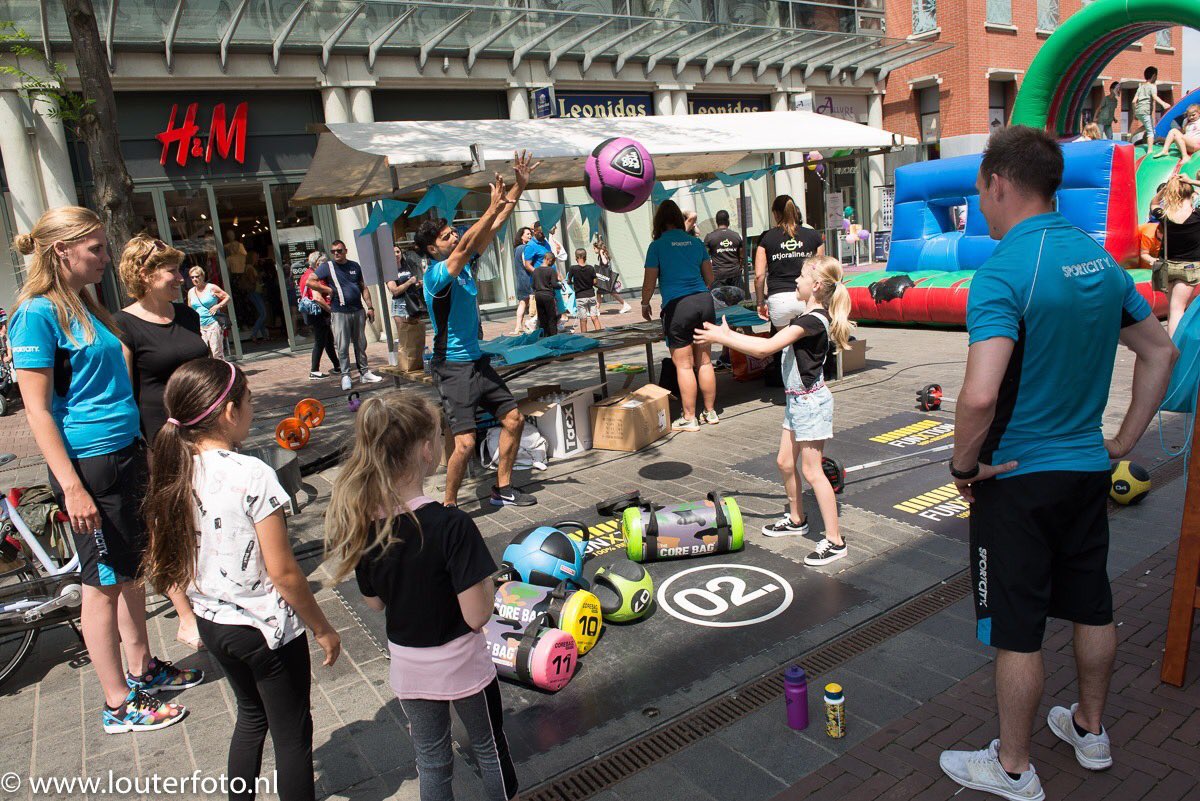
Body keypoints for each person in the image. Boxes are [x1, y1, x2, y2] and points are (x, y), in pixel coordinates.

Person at [938, 126, 1176, 801]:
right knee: (1090, 604)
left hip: (1015, 480)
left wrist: (962, 467)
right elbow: (1161, 351)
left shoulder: (1005, 271)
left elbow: (981, 393)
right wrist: (1124, 440)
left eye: (981, 191)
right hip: (1084, 472)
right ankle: (1090, 730)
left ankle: (1013, 767)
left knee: (1019, 628)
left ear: (998, 183)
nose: (980, 205)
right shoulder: (1101, 263)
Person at [10, 206, 201, 734]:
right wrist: (72, 485)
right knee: (102, 583)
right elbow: (37, 409)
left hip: (124, 453)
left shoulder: (87, 303)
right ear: (60, 250)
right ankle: (117, 703)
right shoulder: (36, 313)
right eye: (94, 248)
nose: (105, 256)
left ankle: (141, 669)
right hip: (88, 466)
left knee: (134, 568)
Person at [142, 358, 340, 801]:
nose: (252, 409)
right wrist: (323, 628)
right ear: (230, 412)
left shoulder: (173, 469)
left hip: (214, 624)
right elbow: (284, 572)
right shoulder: (253, 474)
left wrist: (185, 613)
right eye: (249, 401)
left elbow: (164, 557)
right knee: (292, 738)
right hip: (264, 630)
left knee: (251, 717)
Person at [325, 391, 518, 801]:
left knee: (431, 760)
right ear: (428, 451)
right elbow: (476, 616)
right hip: (462, 665)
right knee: (487, 746)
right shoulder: (452, 525)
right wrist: (487, 582)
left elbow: (374, 602)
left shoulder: (366, 524)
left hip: (410, 667)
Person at [696, 253, 852, 565]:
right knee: (784, 462)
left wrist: (720, 337)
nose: (796, 280)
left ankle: (835, 541)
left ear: (817, 285)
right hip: (797, 401)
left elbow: (766, 348)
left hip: (810, 403)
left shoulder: (811, 321)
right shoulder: (806, 318)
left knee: (811, 470)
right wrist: (727, 335)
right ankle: (797, 519)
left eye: (802, 277)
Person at [416, 152, 540, 509]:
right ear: (432, 249)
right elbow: (472, 239)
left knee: (514, 419)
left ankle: (503, 487)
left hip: (477, 362)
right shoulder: (436, 276)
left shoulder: (466, 264)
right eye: (445, 238)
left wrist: (520, 185)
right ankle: (450, 506)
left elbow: (497, 224)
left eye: (453, 232)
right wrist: (490, 206)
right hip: (451, 367)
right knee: (466, 443)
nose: (453, 239)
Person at [115, 235, 210, 651]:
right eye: (171, 270)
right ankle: (184, 613)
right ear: (145, 275)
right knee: (166, 526)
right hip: (160, 441)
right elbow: (122, 390)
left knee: (208, 514)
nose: (179, 277)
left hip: (205, 431)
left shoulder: (187, 315)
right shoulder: (123, 324)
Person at [641, 199, 718, 432]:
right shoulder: (695, 243)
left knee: (684, 366)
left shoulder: (656, 246)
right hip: (704, 301)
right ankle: (710, 412)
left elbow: (649, 282)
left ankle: (689, 417)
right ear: (678, 218)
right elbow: (710, 278)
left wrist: (645, 303)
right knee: (704, 360)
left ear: (658, 222)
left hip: (678, 306)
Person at [307, 240, 382, 391]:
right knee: (342, 346)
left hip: (358, 310)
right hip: (339, 311)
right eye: (333, 251)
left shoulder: (355, 266)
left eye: (339, 250)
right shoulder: (327, 266)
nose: (336, 253)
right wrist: (327, 290)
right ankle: (345, 375)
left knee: (361, 343)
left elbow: (363, 287)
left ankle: (364, 372)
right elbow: (310, 281)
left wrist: (370, 307)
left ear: (345, 250)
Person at [755, 195, 825, 327]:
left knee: (784, 343)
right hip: (806, 297)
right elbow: (821, 270)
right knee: (807, 343)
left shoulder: (766, 238)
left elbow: (759, 276)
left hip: (779, 299)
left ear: (776, 214)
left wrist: (760, 302)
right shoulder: (814, 236)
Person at [1149, 173, 1200, 336]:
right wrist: (1191, 181)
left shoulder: (1164, 216)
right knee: (1177, 309)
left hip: (1167, 266)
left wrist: (1166, 188)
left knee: (1173, 308)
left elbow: (1153, 203)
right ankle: (1173, 349)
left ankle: (1170, 347)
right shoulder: (1197, 216)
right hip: (1189, 267)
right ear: (1192, 195)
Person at [298, 251, 341, 380]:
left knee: (327, 340)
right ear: (317, 263)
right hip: (318, 313)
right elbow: (317, 298)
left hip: (318, 313)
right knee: (320, 341)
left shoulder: (307, 274)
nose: (326, 266)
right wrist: (332, 311)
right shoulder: (312, 277)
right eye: (323, 263)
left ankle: (337, 365)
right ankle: (314, 370)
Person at [387, 243, 427, 357]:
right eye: (393, 253)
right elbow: (394, 291)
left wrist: (418, 284)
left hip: (411, 302)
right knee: (404, 335)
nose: (396, 255)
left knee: (414, 334)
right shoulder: (389, 271)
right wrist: (409, 282)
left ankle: (416, 359)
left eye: (398, 252)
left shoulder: (408, 265)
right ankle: (404, 361)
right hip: (399, 304)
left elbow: (414, 283)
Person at [188, 265, 229, 359]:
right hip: (200, 326)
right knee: (203, 352)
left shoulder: (211, 288)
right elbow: (190, 308)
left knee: (216, 352)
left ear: (202, 276)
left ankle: (221, 372)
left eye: (197, 276)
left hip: (213, 323)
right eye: (192, 277)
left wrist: (218, 305)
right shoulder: (191, 292)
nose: (195, 279)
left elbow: (227, 297)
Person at [704, 210, 745, 291]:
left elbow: (705, 258)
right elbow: (742, 256)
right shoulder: (736, 236)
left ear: (716, 221)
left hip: (718, 275)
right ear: (728, 221)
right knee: (738, 300)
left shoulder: (710, 237)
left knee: (719, 301)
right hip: (735, 274)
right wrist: (740, 266)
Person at [1132, 66, 1170, 146]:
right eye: (1156, 76)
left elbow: (1133, 101)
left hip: (1139, 111)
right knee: (1151, 132)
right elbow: (1155, 97)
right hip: (1146, 111)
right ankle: (1150, 150)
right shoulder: (1152, 86)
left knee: (1148, 126)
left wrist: (1134, 113)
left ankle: (1134, 133)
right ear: (1154, 76)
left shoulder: (1141, 87)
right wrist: (1163, 104)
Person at [594, 236, 631, 313]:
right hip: (605, 278)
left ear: (599, 248)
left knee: (610, 292)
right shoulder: (604, 254)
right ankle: (597, 309)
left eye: (594, 248)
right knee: (603, 292)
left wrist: (601, 253)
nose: (594, 250)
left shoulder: (603, 255)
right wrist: (600, 238)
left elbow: (605, 263)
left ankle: (625, 305)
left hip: (605, 278)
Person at [568, 248, 602, 333]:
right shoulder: (590, 268)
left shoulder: (573, 269)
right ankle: (601, 334)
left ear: (576, 257)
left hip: (580, 297)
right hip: (591, 295)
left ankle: (585, 337)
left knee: (583, 320)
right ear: (585, 257)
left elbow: (568, 281)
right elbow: (595, 282)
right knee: (594, 317)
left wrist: (574, 282)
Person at [510, 226, 534, 334]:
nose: (530, 236)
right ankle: (529, 324)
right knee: (530, 302)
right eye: (527, 234)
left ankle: (518, 326)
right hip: (527, 278)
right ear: (521, 236)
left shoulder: (516, 249)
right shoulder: (525, 248)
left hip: (520, 279)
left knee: (522, 303)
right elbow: (526, 264)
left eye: (530, 234)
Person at [532, 251, 560, 337]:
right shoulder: (551, 270)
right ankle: (553, 337)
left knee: (542, 317)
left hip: (538, 295)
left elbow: (533, 285)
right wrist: (560, 285)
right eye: (552, 262)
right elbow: (554, 284)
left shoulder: (535, 270)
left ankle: (544, 336)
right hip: (548, 295)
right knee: (551, 317)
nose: (552, 264)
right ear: (548, 260)